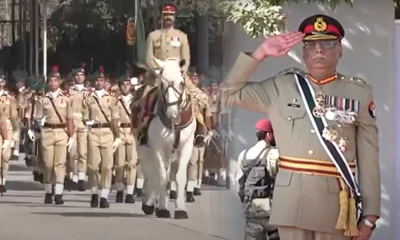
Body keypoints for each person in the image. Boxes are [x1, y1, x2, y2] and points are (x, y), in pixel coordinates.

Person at [222, 14, 380, 240]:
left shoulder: (359, 93)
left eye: (328, 43)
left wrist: (370, 217)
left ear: (340, 50)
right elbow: (228, 93)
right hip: (291, 206)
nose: (319, 50)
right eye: (312, 44)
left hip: (336, 209)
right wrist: (261, 53)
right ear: (303, 53)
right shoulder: (282, 85)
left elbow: (369, 157)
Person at [135, 3, 209, 147]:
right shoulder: (153, 36)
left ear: (174, 18)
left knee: (201, 99)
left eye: (170, 16)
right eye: (165, 16)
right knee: (143, 101)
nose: (168, 18)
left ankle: (200, 131)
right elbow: (149, 57)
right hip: (157, 76)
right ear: (161, 17)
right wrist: (156, 71)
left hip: (178, 76)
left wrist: (181, 72)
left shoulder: (181, 36)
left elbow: (186, 58)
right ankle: (143, 131)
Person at [34, 66, 74, 204]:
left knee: (60, 164)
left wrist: (72, 136)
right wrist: (39, 125)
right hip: (47, 132)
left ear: (59, 82)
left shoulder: (66, 99)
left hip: (62, 132)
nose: (52, 83)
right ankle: (48, 191)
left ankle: (59, 193)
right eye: (50, 80)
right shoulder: (43, 99)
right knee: (48, 164)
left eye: (55, 80)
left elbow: (70, 118)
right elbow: (37, 117)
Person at [83, 66, 121, 208]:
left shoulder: (111, 98)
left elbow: (115, 119)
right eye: (96, 80)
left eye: (101, 80)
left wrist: (118, 136)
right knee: (93, 166)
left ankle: (104, 196)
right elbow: (85, 116)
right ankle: (94, 192)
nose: (98, 82)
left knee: (107, 166)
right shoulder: (88, 98)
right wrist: (88, 122)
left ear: (105, 81)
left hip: (107, 133)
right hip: (93, 132)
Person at [235, 119, 279, 240]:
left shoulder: (243, 155)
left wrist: (247, 202)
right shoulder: (274, 155)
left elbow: (239, 186)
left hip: (252, 210)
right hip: (273, 213)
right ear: (269, 134)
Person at [114, 70, 138, 204]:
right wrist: (116, 134)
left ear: (130, 86)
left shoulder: (136, 100)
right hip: (120, 131)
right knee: (119, 164)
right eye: (122, 84)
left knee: (132, 164)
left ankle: (129, 192)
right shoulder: (115, 101)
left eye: (127, 84)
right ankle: (119, 189)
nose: (125, 86)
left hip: (132, 131)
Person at [68, 63, 89, 191]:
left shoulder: (89, 92)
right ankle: (74, 177)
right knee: (72, 153)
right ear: (74, 77)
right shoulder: (69, 91)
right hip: (72, 123)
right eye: (77, 75)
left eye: (82, 75)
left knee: (83, 152)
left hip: (84, 123)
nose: (80, 77)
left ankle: (81, 178)